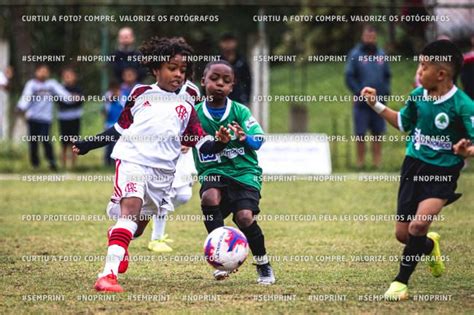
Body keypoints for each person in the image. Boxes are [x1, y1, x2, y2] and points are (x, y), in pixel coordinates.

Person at [72, 36, 232, 292]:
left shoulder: (189, 103)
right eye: (172, 68)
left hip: (163, 174)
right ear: (156, 68)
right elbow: (118, 129)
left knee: (135, 228)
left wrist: (221, 142)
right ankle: (107, 275)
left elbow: (203, 145)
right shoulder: (140, 94)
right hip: (133, 161)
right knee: (130, 211)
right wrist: (89, 144)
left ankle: (119, 240)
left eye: (182, 69)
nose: (178, 74)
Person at [361, 40, 474, 301]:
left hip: (443, 171)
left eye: (423, 67)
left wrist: (467, 151)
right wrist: (376, 105)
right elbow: (403, 123)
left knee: (419, 224)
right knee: (404, 234)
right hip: (413, 166)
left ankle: (400, 283)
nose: (418, 72)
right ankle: (429, 245)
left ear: (442, 74)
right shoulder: (416, 97)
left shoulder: (463, 106)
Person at [193, 60, 275, 285]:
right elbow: (202, 147)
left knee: (244, 217)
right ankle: (220, 257)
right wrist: (219, 144)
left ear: (232, 86)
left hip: (244, 172)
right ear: (203, 81)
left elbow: (258, 141)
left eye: (226, 81)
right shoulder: (195, 115)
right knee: (209, 196)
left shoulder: (239, 111)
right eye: (214, 78)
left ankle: (263, 263)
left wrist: (244, 137)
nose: (220, 84)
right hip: (214, 169)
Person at [148, 79, 201, 253]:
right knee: (166, 192)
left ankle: (150, 212)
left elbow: (196, 118)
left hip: (183, 154)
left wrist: (189, 140)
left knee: (184, 195)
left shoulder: (192, 91)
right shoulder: (155, 91)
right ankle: (156, 239)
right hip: (163, 151)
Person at [345, 25, 391, 169]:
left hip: (378, 102)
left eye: (372, 37)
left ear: (375, 37)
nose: (370, 39)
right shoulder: (355, 55)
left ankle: (377, 163)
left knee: (377, 133)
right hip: (361, 103)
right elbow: (349, 76)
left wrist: (385, 92)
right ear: (362, 37)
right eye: (367, 36)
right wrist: (359, 93)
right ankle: (360, 163)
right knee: (360, 133)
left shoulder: (381, 54)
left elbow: (387, 75)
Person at [16, 64, 72, 171]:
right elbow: (25, 97)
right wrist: (21, 107)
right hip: (33, 118)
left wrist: (72, 98)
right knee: (33, 142)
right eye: (41, 71)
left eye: (46, 71)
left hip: (46, 119)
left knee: (45, 139)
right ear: (36, 72)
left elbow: (63, 94)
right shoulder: (31, 85)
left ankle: (52, 162)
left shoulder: (51, 84)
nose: (43, 73)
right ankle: (35, 164)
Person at [57, 67, 83, 169]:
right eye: (66, 76)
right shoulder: (59, 89)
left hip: (75, 118)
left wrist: (69, 99)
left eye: (70, 75)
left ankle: (73, 166)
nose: (68, 78)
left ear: (74, 77)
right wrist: (72, 99)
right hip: (63, 119)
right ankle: (63, 165)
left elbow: (79, 101)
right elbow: (60, 102)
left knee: (74, 142)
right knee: (64, 143)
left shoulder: (78, 89)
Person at [218, 33, 252, 106]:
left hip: (239, 100)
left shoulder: (242, 62)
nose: (228, 45)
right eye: (225, 42)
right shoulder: (216, 62)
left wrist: (247, 100)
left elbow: (248, 81)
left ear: (235, 43)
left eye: (230, 42)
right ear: (220, 44)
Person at [102, 81, 123, 166]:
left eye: (116, 90)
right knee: (108, 146)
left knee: (116, 145)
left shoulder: (122, 99)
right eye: (113, 90)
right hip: (108, 125)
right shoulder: (107, 99)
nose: (115, 93)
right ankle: (107, 163)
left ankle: (116, 162)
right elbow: (105, 111)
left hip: (118, 126)